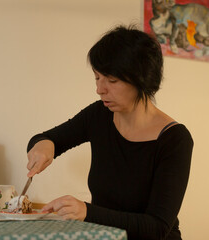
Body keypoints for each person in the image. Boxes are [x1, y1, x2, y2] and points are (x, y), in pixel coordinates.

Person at [26, 25, 193, 240]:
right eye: (97, 78)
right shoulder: (100, 115)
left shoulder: (174, 139)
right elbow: (47, 139)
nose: (100, 89)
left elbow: (158, 227)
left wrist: (87, 211)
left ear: (142, 79)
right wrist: (43, 144)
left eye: (112, 80)